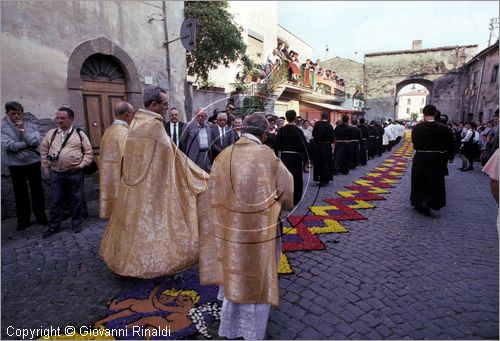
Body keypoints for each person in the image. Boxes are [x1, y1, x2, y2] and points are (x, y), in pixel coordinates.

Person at [198, 113, 294, 340]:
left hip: (229, 225)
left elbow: (212, 190)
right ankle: (252, 330)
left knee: (234, 265)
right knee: (257, 271)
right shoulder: (267, 155)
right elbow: (287, 190)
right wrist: (282, 207)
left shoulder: (223, 155)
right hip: (260, 228)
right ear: (263, 134)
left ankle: (229, 309)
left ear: (242, 130)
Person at [99, 86, 209, 278]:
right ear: (153, 105)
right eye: (165, 104)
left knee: (132, 225)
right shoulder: (154, 126)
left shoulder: (135, 123)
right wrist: (200, 175)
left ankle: (125, 260)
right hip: (154, 188)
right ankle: (148, 262)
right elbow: (174, 157)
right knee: (154, 224)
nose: (167, 108)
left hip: (133, 186)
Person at [40, 106, 93, 238]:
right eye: (57, 117)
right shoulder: (51, 134)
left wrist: (81, 165)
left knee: (76, 199)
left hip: (74, 172)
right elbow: (43, 151)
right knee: (56, 200)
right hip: (56, 173)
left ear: (71, 119)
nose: (59, 120)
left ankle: (76, 224)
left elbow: (88, 153)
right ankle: (53, 226)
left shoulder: (79, 134)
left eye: (62, 118)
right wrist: (45, 167)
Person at [1, 101, 48, 230]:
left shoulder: (31, 125)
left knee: (37, 191)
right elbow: (9, 146)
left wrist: (22, 130)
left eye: (19, 113)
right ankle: (23, 220)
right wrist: (26, 145)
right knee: (20, 193)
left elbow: (34, 141)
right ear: (7, 113)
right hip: (15, 165)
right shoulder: (3, 127)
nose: (17, 116)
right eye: (13, 113)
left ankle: (41, 216)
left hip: (33, 162)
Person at [410, 105, 450, 216]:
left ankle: (421, 202)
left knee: (420, 180)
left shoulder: (417, 127)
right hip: (437, 158)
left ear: (423, 113)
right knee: (435, 181)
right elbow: (448, 144)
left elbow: (414, 143)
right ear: (436, 114)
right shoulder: (443, 128)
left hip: (421, 157)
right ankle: (433, 202)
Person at [97, 101, 135, 219]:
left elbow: (100, 157)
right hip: (123, 182)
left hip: (108, 178)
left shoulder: (108, 131)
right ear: (127, 115)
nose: (134, 116)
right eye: (133, 113)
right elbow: (130, 162)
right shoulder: (125, 133)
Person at [275, 110, 308, 206]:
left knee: (285, 178)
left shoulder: (281, 130)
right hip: (296, 158)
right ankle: (296, 198)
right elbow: (304, 146)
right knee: (296, 178)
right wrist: (304, 158)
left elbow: (278, 145)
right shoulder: (298, 131)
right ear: (295, 118)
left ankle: (284, 198)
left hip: (285, 157)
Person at [179, 108, 214, 173]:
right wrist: (188, 152)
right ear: (196, 116)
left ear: (205, 117)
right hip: (194, 156)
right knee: (195, 175)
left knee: (207, 175)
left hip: (206, 156)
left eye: (202, 116)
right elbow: (182, 141)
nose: (200, 118)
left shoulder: (208, 127)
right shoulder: (188, 126)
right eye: (198, 116)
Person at [312, 111, 335, 185]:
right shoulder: (329, 126)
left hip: (318, 146)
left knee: (318, 162)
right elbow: (332, 138)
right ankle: (325, 179)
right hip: (326, 146)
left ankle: (318, 178)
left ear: (321, 116)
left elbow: (313, 135)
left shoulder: (316, 125)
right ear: (328, 117)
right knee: (326, 162)